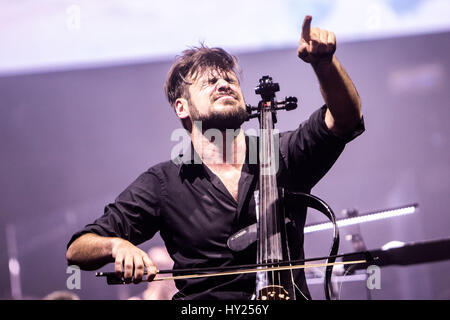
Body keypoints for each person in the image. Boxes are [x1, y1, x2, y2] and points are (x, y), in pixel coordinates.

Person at [66, 16, 364, 300]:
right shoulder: (164, 183)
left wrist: (325, 65)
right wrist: (116, 245)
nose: (224, 85)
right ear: (182, 107)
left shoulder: (281, 154)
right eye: (209, 82)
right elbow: (78, 249)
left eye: (229, 80)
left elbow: (345, 119)